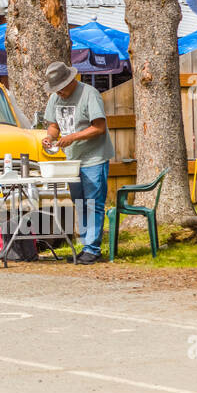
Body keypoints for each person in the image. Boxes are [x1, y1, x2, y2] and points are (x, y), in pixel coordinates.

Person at [42, 61, 115, 264]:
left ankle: (93, 248)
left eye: (61, 89)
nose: (59, 93)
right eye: (55, 90)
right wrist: (50, 137)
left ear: (70, 81)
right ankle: (85, 246)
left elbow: (99, 127)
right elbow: (54, 125)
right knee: (80, 202)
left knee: (93, 202)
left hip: (94, 157)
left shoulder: (89, 94)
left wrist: (72, 137)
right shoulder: (55, 98)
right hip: (72, 161)